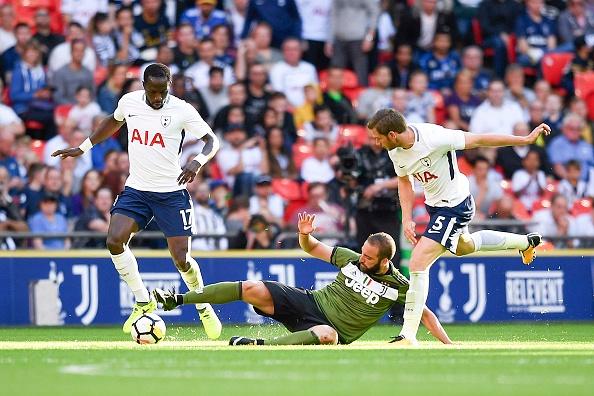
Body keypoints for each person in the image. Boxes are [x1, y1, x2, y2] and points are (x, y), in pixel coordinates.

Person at [51, 63, 222, 339]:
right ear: (143, 86)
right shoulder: (129, 102)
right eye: (152, 92)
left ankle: (202, 305)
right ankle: (143, 301)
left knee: (181, 259)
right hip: (138, 189)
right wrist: (82, 148)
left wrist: (197, 162)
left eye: (162, 92)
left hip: (171, 192)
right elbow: (114, 120)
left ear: (169, 87)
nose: (157, 98)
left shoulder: (181, 109)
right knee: (114, 241)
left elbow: (211, 140)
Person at [367, 108, 547, 345]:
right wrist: (407, 217)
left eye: (377, 137)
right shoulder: (396, 151)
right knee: (464, 246)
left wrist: (523, 140)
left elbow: (479, 139)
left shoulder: (434, 137)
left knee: (418, 262)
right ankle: (525, 242)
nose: (375, 142)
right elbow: (404, 181)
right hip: (435, 207)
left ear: (392, 134)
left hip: (455, 205)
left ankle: (408, 335)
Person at [153, 212, 452, 346]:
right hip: (310, 301)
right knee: (251, 287)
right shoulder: (350, 258)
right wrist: (305, 235)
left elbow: (424, 314)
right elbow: (312, 247)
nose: (362, 259)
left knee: (328, 337)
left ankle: (258, 345)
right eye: (362, 253)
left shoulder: (399, 287)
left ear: (385, 261)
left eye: (369, 258)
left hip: (331, 328)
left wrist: (448, 344)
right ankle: (177, 298)